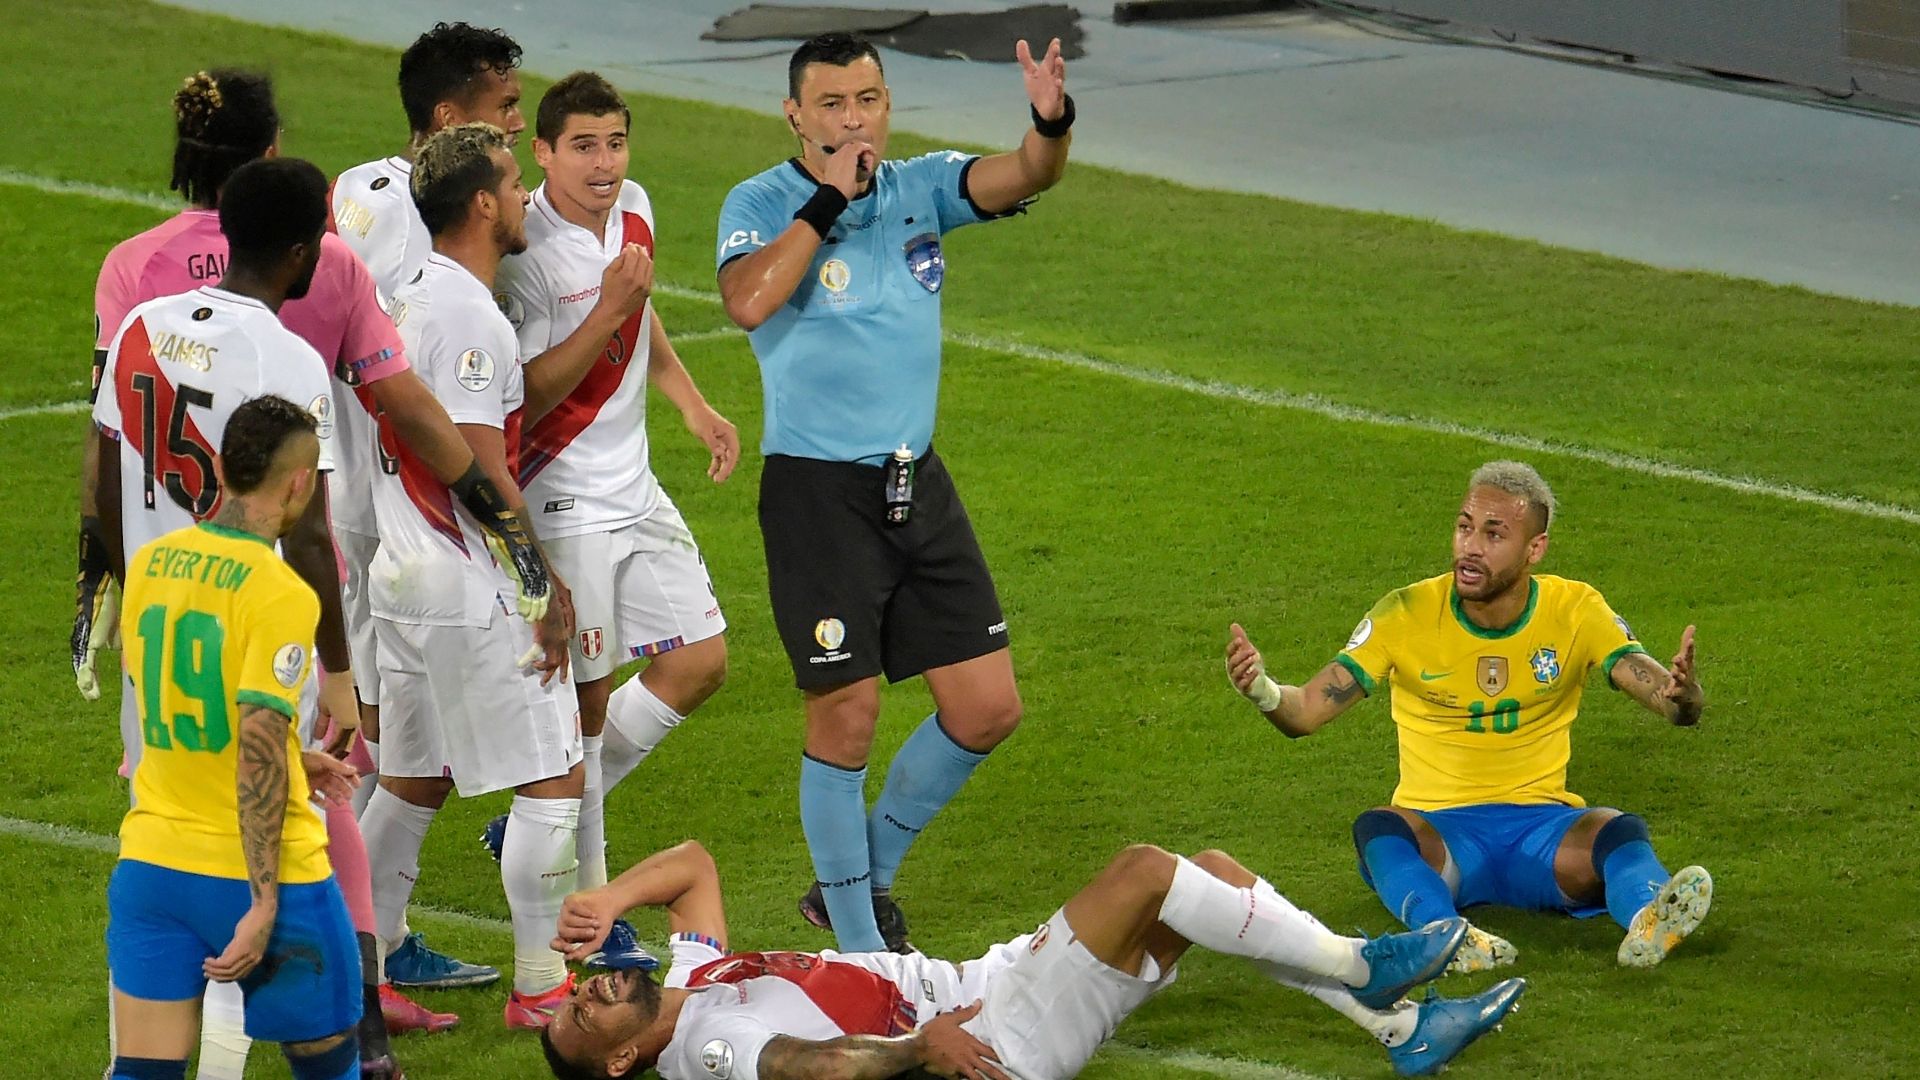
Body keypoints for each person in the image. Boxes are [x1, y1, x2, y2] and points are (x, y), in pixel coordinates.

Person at [714, 30, 1073, 954]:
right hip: (817, 496)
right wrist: (830, 194)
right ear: (794, 114)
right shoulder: (759, 201)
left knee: (988, 707)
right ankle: (862, 945)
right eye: (832, 104)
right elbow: (749, 301)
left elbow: (1028, 174)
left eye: (867, 99)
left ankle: (854, 886)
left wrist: (1049, 118)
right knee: (849, 711)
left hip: (918, 484)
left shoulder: (918, 188)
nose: (853, 118)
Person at [1225, 460, 1713, 972]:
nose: (1470, 547)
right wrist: (1261, 688)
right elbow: (1304, 712)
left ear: (1535, 549)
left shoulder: (1575, 610)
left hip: (1544, 833)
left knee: (1614, 830)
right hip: (1442, 839)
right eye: (1464, 527)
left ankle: (1649, 917)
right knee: (1380, 830)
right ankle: (1447, 935)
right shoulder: (1406, 613)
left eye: (1493, 534)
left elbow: (1664, 694)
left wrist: (1683, 695)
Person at [538, 841, 1527, 1080]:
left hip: (981, 984)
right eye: (585, 1019)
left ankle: (1395, 1029)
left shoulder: (687, 981)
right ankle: (1364, 968)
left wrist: (607, 899)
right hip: (986, 1042)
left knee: (1210, 881)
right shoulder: (703, 1050)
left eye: (577, 992)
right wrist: (918, 1052)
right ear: (623, 1063)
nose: (590, 993)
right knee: (1145, 874)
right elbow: (812, 1069)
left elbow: (694, 868)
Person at [486, 69, 739, 974]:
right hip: (563, 500)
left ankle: (528, 823)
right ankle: (594, 920)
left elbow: (641, 320)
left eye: (615, 142)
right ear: (543, 153)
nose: (603, 163)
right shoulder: (519, 256)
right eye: (582, 146)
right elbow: (521, 394)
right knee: (584, 711)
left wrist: (690, 403)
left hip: (637, 488)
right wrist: (606, 309)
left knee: (700, 661)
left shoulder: (636, 208)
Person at [356, 120, 584, 1032]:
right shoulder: (469, 317)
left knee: (413, 781)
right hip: (464, 578)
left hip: (399, 575)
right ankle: (541, 988)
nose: (527, 193)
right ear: (483, 204)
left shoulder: (407, 296)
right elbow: (482, 469)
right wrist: (544, 588)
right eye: (514, 181)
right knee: (555, 775)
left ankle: (361, 980)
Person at [327, 22, 537, 1004]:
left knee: (411, 752)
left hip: (390, 497)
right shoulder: (391, 211)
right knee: (376, 735)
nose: (518, 132)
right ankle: (340, 944)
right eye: (505, 113)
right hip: (385, 499)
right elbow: (394, 380)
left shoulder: (391, 205)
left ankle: (369, 943)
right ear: (450, 120)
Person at [105, 394, 364, 1080]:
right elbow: (252, 741)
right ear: (301, 484)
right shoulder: (280, 591)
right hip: (260, 876)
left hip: (152, 866)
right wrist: (264, 900)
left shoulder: (153, 564)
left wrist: (291, 755)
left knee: (140, 1072)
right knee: (331, 1067)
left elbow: (177, 706)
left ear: (220, 466)